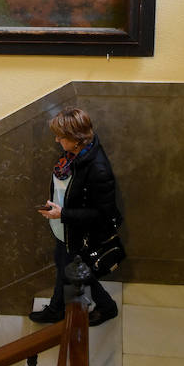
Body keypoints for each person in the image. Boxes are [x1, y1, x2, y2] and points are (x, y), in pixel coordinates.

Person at [29, 107, 121, 327]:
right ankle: (60, 308)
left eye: (60, 137)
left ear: (76, 139)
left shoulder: (97, 168)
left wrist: (63, 213)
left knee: (72, 269)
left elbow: (103, 213)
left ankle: (99, 308)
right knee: (65, 267)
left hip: (78, 231)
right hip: (65, 227)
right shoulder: (72, 157)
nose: (56, 140)